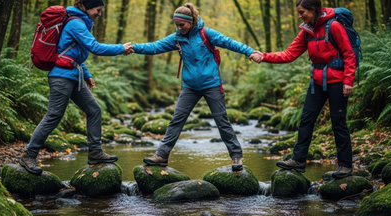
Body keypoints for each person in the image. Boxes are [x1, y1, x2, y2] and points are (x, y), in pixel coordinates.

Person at [130, 3, 259, 171]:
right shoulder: (177, 38)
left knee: (221, 121)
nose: (179, 28)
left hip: (211, 84)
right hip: (190, 86)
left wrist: (250, 52)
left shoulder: (206, 33)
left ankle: (236, 157)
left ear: (191, 21)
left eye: (181, 25)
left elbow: (229, 43)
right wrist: (134, 47)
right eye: (176, 25)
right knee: (177, 120)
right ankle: (161, 155)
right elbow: (154, 47)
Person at [20, 0, 134, 175]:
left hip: (74, 75)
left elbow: (73, 52)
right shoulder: (76, 23)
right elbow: (95, 47)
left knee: (94, 110)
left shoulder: (80, 22)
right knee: (54, 115)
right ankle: (29, 154)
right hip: (61, 77)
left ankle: (95, 153)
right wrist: (121, 48)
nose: (99, 13)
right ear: (86, 7)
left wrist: (86, 74)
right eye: (98, 9)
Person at [252, 0, 355, 178]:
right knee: (306, 119)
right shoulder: (307, 31)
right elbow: (289, 54)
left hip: (337, 81)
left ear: (314, 10)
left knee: (338, 122)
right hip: (317, 82)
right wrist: (264, 56)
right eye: (299, 13)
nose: (300, 16)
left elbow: (348, 54)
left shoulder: (335, 26)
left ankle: (345, 165)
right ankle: (298, 160)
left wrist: (348, 81)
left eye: (302, 12)